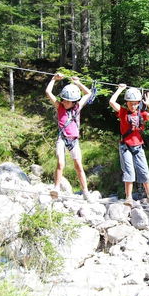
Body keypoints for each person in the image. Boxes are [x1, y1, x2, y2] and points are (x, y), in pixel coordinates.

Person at [109, 84, 149, 208]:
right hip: (125, 146)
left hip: (138, 147)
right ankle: (129, 197)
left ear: (138, 103)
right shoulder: (122, 112)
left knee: (144, 171)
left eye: (135, 103)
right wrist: (120, 89)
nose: (133, 106)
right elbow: (111, 102)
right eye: (130, 103)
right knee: (129, 172)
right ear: (126, 103)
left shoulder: (141, 114)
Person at [45, 73, 93, 201]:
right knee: (60, 163)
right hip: (62, 139)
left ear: (74, 102)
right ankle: (56, 188)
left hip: (74, 141)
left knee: (78, 166)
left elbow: (88, 93)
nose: (65, 102)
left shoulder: (77, 107)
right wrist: (53, 79)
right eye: (64, 100)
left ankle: (85, 191)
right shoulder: (59, 106)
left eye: (68, 101)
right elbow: (48, 92)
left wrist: (78, 83)